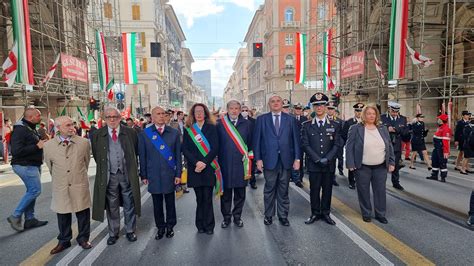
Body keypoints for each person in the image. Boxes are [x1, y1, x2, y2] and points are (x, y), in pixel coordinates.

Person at [91, 107, 141, 245]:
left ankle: (130, 230)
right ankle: (113, 233)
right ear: (104, 119)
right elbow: (97, 155)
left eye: (115, 117)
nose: (112, 119)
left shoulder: (130, 132)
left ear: (120, 118)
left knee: (129, 203)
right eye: (108, 117)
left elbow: (135, 151)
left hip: (127, 174)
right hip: (110, 175)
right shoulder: (98, 134)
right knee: (111, 204)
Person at [44, 116, 92, 254]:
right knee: (63, 213)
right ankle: (64, 241)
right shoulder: (49, 146)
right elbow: (50, 166)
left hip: (79, 182)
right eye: (67, 125)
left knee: (83, 212)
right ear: (58, 128)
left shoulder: (83, 143)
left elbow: (86, 162)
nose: (72, 127)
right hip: (61, 184)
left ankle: (83, 238)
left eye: (72, 124)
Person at [253, 94, 301, 226]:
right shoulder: (261, 119)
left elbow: (296, 141)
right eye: (272, 101)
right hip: (269, 160)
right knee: (269, 189)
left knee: (284, 189)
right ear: (269, 104)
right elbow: (256, 141)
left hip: (286, 159)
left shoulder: (290, 120)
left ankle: (283, 215)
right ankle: (269, 215)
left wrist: (297, 159)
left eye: (278, 101)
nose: (275, 103)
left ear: (282, 104)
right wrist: (258, 159)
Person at [345, 105, 395, 224]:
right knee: (363, 190)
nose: (371, 116)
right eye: (368, 114)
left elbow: (389, 146)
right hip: (362, 167)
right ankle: (366, 213)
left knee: (380, 191)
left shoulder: (382, 128)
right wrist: (350, 163)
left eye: (373, 113)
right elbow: (349, 147)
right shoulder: (355, 128)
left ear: (376, 115)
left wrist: (392, 162)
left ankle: (380, 214)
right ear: (364, 115)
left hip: (381, 166)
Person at [139, 107, 181, 240]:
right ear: (152, 117)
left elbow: (178, 156)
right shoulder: (145, 134)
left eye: (163, 114)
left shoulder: (174, 133)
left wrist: (178, 174)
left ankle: (170, 227)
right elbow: (142, 156)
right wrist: (144, 175)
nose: (162, 116)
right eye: (158, 114)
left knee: (170, 203)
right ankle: (160, 227)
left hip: (169, 173)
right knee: (157, 204)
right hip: (153, 174)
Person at [301, 93, 342, 226]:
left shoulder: (335, 124)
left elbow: (337, 144)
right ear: (313, 107)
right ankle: (314, 213)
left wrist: (328, 159)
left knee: (327, 189)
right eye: (316, 105)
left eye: (322, 105)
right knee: (314, 189)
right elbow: (305, 145)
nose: (319, 107)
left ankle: (325, 213)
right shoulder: (306, 125)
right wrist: (318, 159)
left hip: (329, 164)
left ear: (326, 106)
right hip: (314, 164)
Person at [7, 108, 48, 232]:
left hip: (33, 164)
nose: (40, 118)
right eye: (38, 116)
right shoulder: (20, 130)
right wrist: (37, 146)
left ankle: (30, 219)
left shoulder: (29, 127)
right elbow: (16, 151)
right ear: (31, 117)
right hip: (25, 165)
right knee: (35, 191)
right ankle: (15, 216)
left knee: (31, 190)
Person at [182, 103, 219, 234]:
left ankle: (209, 226)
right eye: (196, 111)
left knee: (208, 198)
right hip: (195, 169)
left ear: (205, 113)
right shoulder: (188, 129)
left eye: (201, 111)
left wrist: (204, 162)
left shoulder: (212, 127)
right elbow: (184, 148)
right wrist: (196, 163)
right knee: (199, 199)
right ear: (193, 113)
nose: (199, 114)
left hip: (208, 167)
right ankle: (200, 225)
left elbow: (215, 147)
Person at [217, 100, 253, 228]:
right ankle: (226, 218)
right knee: (225, 194)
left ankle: (237, 217)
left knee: (240, 193)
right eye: (231, 108)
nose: (234, 111)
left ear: (240, 109)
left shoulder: (247, 124)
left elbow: (250, 144)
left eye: (237, 108)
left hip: (241, 165)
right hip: (224, 164)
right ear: (227, 109)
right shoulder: (220, 124)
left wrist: (250, 159)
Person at [381, 101, 409, 191]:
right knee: (382, 165)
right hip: (383, 145)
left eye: (396, 112)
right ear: (389, 109)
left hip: (397, 145)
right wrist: (387, 128)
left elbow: (405, 132)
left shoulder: (402, 119)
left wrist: (396, 130)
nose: (394, 113)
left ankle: (396, 182)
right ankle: (381, 183)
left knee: (396, 165)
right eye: (393, 111)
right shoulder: (382, 118)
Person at [341, 103, 365, 189]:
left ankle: (361, 181)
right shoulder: (349, 122)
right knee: (352, 165)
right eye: (357, 111)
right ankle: (352, 181)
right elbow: (344, 134)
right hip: (353, 147)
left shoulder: (366, 122)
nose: (359, 113)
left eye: (360, 111)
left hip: (364, 148)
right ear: (354, 112)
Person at [426, 114, 452, 182]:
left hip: (441, 148)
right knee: (435, 161)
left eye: (439, 119)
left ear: (442, 120)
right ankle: (434, 175)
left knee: (442, 162)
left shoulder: (446, 128)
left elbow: (446, 141)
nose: (438, 120)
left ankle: (443, 177)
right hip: (436, 148)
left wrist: (446, 151)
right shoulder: (440, 127)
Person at [326, 101, 344, 186]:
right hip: (325, 145)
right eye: (329, 109)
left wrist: (339, 144)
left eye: (332, 109)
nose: (330, 111)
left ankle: (332, 178)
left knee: (333, 163)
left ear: (334, 110)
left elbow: (341, 133)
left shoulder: (339, 121)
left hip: (334, 145)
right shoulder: (323, 119)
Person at [242, 105, 258, 189]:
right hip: (240, 147)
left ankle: (253, 182)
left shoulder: (253, 121)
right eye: (243, 110)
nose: (244, 112)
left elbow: (256, 134)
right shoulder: (237, 121)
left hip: (251, 147)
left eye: (246, 110)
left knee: (251, 166)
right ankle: (242, 183)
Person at [292, 103, 307, 188]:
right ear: (294, 110)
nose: (298, 110)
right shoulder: (291, 118)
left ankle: (300, 178)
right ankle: (294, 177)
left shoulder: (305, 119)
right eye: (296, 109)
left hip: (301, 144)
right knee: (292, 160)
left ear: (301, 110)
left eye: (299, 109)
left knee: (300, 160)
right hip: (292, 143)